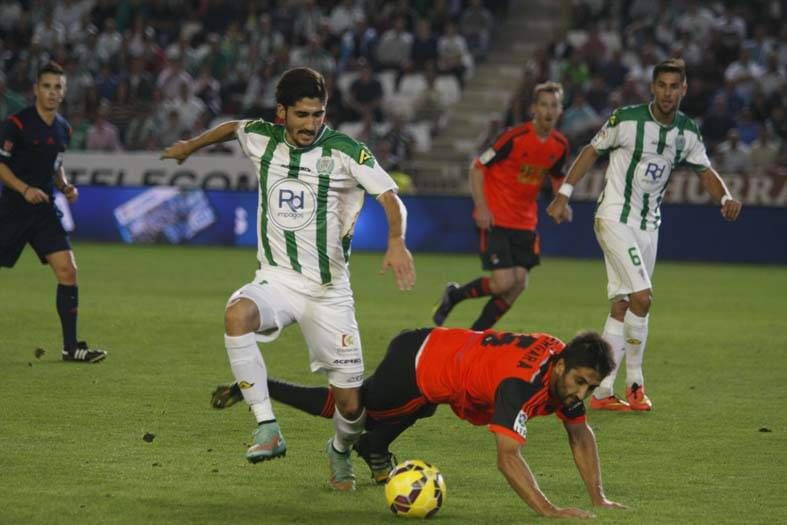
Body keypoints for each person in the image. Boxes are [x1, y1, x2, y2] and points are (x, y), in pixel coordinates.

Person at [161, 67, 416, 491]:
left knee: (351, 408)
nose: (311, 124)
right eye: (302, 115)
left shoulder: (345, 151)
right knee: (236, 315)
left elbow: (390, 197)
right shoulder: (263, 137)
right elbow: (233, 128)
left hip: (329, 292)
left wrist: (396, 240)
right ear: (282, 114)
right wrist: (191, 145)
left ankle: (339, 449)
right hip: (277, 279)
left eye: (318, 115)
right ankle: (267, 427)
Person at [211, 327, 626, 519]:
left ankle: (373, 451)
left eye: (591, 387)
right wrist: (549, 510)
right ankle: (259, 385)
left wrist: (598, 497)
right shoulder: (521, 385)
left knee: (417, 409)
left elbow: (580, 432)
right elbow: (507, 458)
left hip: (441, 356)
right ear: (559, 367)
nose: (581, 395)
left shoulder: (563, 366)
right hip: (419, 365)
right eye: (579, 382)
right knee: (353, 410)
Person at [546, 59, 743, 412]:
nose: (668, 93)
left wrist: (726, 197)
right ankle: (635, 382)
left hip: (649, 226)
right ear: (652, 88)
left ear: (683, 90)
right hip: (614, 218)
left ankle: (603, 391)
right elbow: (591, 150)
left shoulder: (686, 132)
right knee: (643, 297)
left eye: (674, 86)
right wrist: (564, 193)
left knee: (623, 306)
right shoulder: (627, 120)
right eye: (662, 85)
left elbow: (705, 169)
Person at [433, 82, 571, 330]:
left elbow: (558, 175)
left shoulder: (559, 145)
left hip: (525, 222)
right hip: (497, 217)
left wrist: (563, 201)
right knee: (504, 282)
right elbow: (478, 167)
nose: (548, 111)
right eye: (543, 105)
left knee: (518, 284)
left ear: (560, 110)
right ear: (534, 108)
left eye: (554, 105)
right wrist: (482, 207)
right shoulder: (514, 137)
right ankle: (455, 297)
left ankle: (476, 333)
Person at [0, 61, 107, 363]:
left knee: (68, 271)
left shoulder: (63, 128)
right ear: (35, 89)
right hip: (12, 210)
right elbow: (1, 166)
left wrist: (64, 185)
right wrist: (23, 189)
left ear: (64, 92)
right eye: (46, 86)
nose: (51, 92)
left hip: (44, 211)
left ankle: (71, 347)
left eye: (57, 87)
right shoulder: (16, 124)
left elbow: (55, 165)